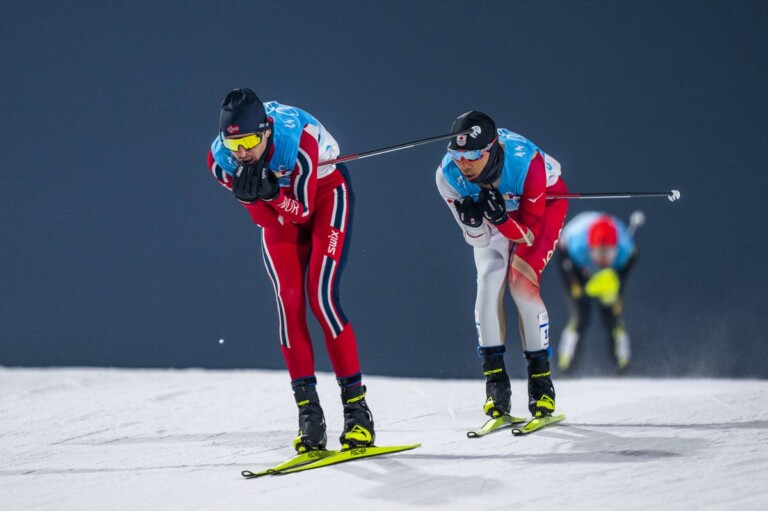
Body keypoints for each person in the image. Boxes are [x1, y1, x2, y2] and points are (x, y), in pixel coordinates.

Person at [206, 88, 374, 453]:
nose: (243, 152)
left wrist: (272, 194)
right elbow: (268, 221)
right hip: (278, 207)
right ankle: (309, 416)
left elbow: (303, 209)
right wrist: (254, 198)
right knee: (289, 300)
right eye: (234, 143)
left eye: (250, 141)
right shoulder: (222, 160)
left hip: (325, 194)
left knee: (321, 298)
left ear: (266, 131)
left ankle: (357, 411)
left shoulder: (296, 141)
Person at [435, 111, 569, 424]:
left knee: (521, 283)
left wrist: (500, 219)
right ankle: (496, 386)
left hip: (542, 205)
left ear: (491, 149)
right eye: (457, 155)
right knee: (487, 278)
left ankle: (541, 386)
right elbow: (478, 241)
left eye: (471, 156)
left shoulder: (528, 163)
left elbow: (528, 234)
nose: (463, 164)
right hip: (500, 214)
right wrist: (473, 223)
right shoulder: (447, 177)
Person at [556, 211, 638, 371]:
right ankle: (566, 364)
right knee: (580, 313)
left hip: (609, 272)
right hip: (576, 265)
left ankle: (622, 363)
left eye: (608, 253)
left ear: (616, 249)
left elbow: (629, 264)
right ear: (590, 248)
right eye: (599, 253)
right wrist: (576, 286)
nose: (603, 259)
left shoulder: (625, 250)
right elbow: (564, 258)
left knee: (612, 314)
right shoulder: (576, 247)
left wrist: (618, 290)